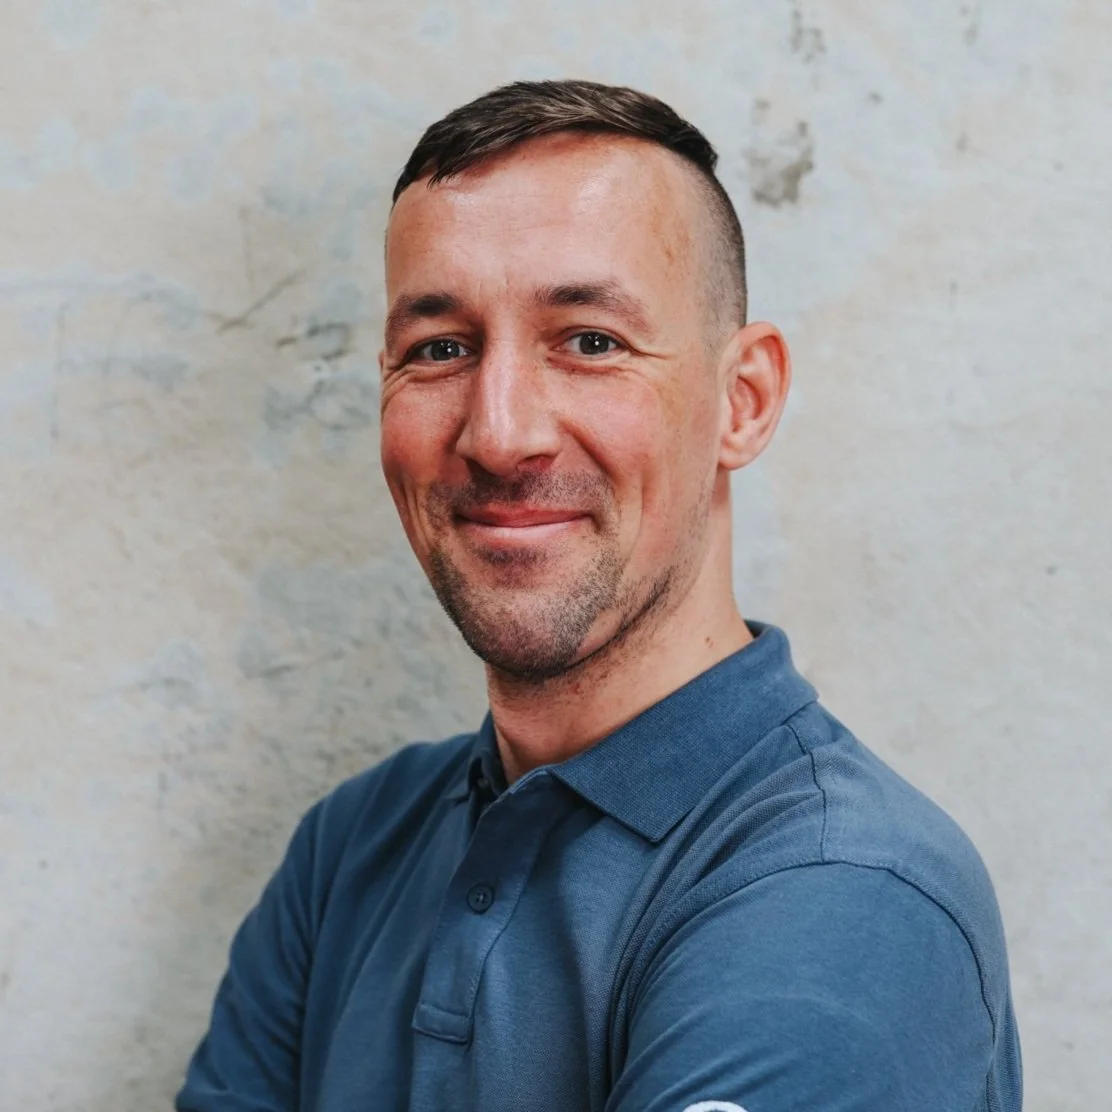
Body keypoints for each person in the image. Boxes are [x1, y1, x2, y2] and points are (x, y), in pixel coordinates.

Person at [177, 80, 1021, 1111]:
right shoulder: (351, 848)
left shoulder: (841, 893)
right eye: (440, 349)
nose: (499, 434)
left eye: (588, 341)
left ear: (742, 402)